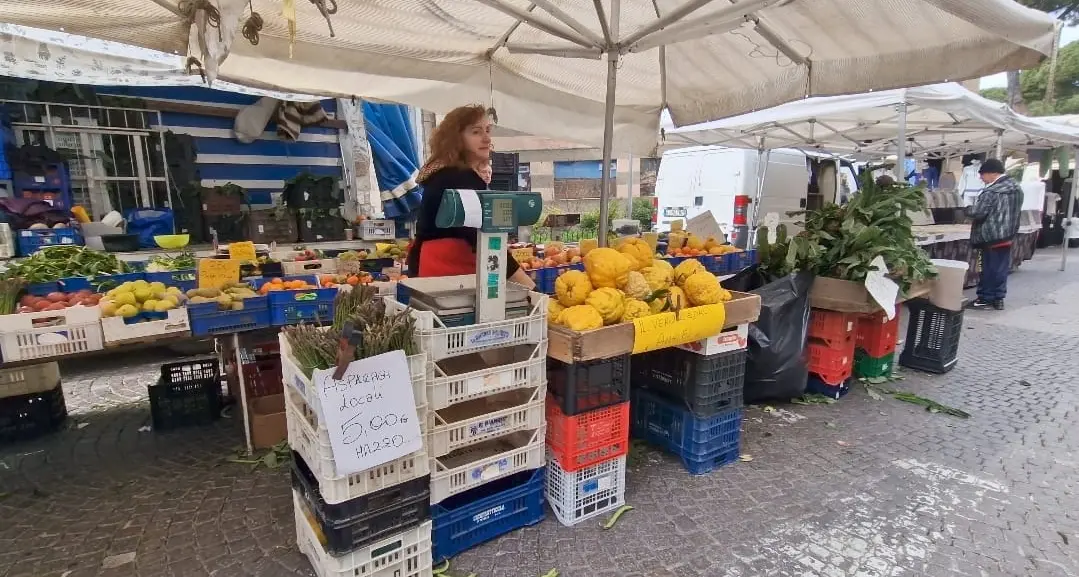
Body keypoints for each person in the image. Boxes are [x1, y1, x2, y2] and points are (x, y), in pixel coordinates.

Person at [406, 105, 536, 289]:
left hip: (436, 269)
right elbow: (485, 240)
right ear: (456, 139)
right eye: (476, 132)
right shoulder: (458, 177)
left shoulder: (446, 172)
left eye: (488, 130)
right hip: (448, 272)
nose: (486, 138)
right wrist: (530, 288)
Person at [965, 158, 1022, 310]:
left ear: (992, 173)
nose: (981, 178)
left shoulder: (991, 191)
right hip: (1008, 235)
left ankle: (985, 298)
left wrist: (967, 209)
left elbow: (978, 212)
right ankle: (998, 298)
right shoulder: (1017, 189)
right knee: (1001, 268)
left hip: (990, 236)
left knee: (988, 268)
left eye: (982, 174)